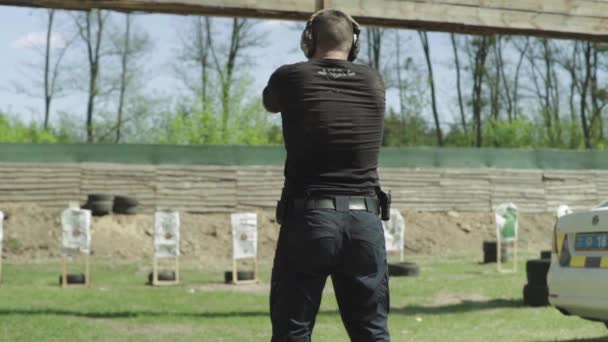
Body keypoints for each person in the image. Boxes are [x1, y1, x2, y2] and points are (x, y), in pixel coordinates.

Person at [263, 9, 389, 342]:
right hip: (365, 221)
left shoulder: (291, 77)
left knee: (292, 332)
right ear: (354, 44)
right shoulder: (373, 80)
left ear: (309, 40)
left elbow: (270, 103)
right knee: (372, 333)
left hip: (310, 220)